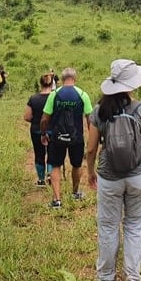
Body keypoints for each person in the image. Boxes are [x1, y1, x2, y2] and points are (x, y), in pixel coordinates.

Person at [86, 59, 141, 281]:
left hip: (108, 177)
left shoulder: (98, 111)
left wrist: (90, 172)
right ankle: (133, 279)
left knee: (108, 226)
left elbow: (92, 148)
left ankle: (105, 279)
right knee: (134, 226)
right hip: (138, 176)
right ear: (133, 84)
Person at [40, 67, 93, 208]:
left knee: (55, 165)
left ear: (62, 79)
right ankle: (75, 193)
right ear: (75, 79)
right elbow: (90, 119)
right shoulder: (83, 94)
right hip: (76, 138)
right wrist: (91, 137)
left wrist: (44, 133)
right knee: (76, 165)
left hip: (57, 138)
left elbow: (45, 118)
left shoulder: (54, 94)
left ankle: (57, 200)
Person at [24, 72, 55, 186]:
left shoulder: (33, 98)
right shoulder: (55, 97)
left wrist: (36, 120)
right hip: (53, 130)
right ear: (52, 84)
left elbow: (27, 116)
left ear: (40, 84)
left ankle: (41, 180)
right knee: (52, 154)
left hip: (36, 130)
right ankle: (51, 175)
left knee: (39, 154)